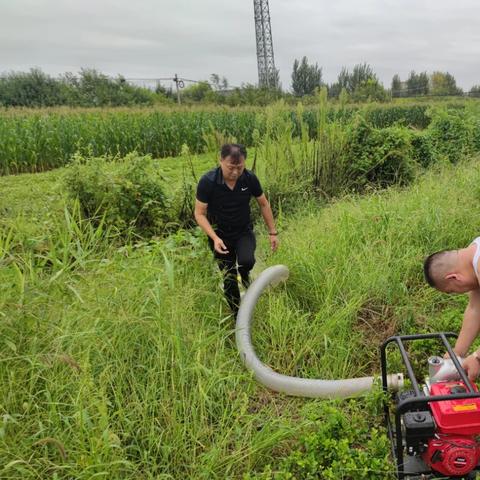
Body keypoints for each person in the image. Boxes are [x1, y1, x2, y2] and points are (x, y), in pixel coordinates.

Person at [194, 143, 278, 315]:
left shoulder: (249, 178)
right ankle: (237, 316)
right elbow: (199, 214)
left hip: (243, 231)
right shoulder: (208, 181)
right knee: (229, 277)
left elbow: (263, 203)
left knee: (247, 261)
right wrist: (214, 238)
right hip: (220, 235)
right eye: (231, 167)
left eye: (239, 167)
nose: (235, 172)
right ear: (221, 161)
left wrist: (273, 233)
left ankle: (245, 274)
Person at [423, 237, 480, 380]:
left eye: (451, 291)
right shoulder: (473, 254)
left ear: (453, 277)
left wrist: (477, 357)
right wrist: (458, 351)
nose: (457, 293)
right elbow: (475, 308)